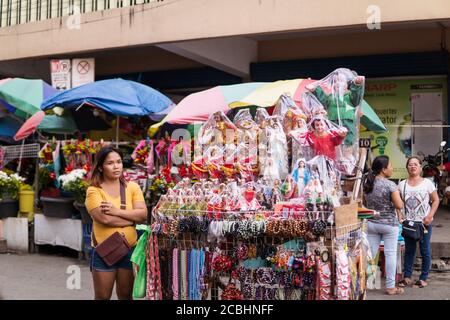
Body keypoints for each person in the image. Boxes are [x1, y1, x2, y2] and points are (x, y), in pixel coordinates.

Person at [85, 146, 147, 300]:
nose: (116, 166)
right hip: (104, 250)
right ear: (100, 167)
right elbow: (104, 219)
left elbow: (143, 215)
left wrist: (115, 211)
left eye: (118, 162)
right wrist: (131, 219)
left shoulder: (132, 187)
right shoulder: (94, 190)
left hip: (129, 249)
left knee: (126, 296)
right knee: (102, 297)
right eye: (110, 163)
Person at [363, 155, 404, 295]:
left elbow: (364, 202)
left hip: (371, 223)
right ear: (383, 169)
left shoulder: (367, 182)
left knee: (370, 254)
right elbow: (399, 205)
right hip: (389, 225)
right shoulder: (390, 185)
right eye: (390, 166)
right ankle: (391, 287)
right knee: (390, 254)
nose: (392, 168)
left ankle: (366, 282)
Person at [398, 156, 439, 289]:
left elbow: (436, 200)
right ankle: (407, 277)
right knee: (409, 251)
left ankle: (423, 278)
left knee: (425, 250)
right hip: (409, 223)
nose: (413, 166)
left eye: (415, 164)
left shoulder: (427, 183)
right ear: (407, 168)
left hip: (423, 223)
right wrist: (400, 216)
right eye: (410, 164)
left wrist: (430, 216)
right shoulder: (402, 184)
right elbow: (397, 203)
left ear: (420, 167)